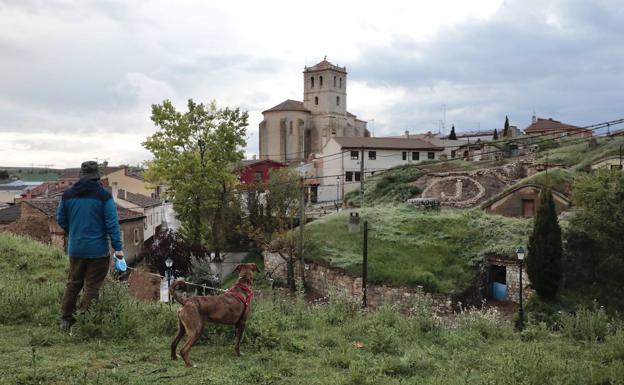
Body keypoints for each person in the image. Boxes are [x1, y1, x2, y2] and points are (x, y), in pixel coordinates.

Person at [56, 161, 125, 330]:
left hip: (76, 248)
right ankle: (84, 321)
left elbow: (60, 219)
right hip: (98, 250)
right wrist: (118, 248)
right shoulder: (104, 196)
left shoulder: (67, 195)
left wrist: (73, 233)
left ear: (81, 175)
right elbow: (112, 224)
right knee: (92, 287)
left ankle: (65, 319)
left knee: (73, 282)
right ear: (97, 176)